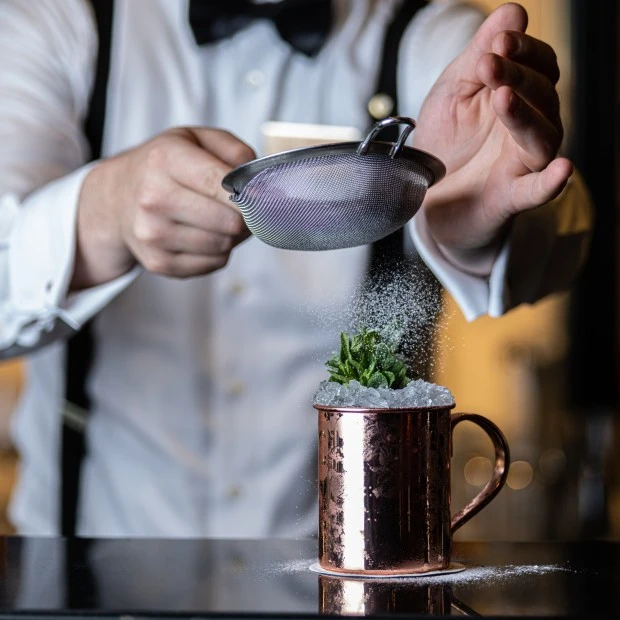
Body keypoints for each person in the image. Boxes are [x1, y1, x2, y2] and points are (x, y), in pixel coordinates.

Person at [0, 0, 591, 537]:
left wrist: (479, 219)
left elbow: (565, 238)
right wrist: (100, 213)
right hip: (90, 569)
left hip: (353, 576)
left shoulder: (432, 38)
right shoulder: (58, 21)